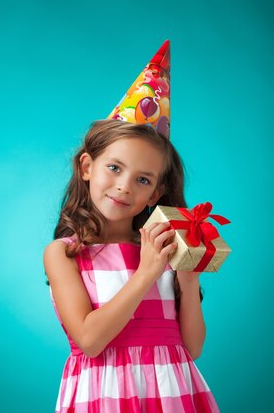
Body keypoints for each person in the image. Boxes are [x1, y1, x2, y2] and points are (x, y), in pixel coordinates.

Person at [44, 41, 220, 413]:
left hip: (172, 393)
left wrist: (188, 275)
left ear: (156, 192)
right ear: (87, 167)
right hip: (104, 394)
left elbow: (192, 347)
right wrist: (147, 273)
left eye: (143, 180)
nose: (124, 185)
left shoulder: (164, 248)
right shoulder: (65, 253)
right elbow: (90, 340)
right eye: (114, 168)